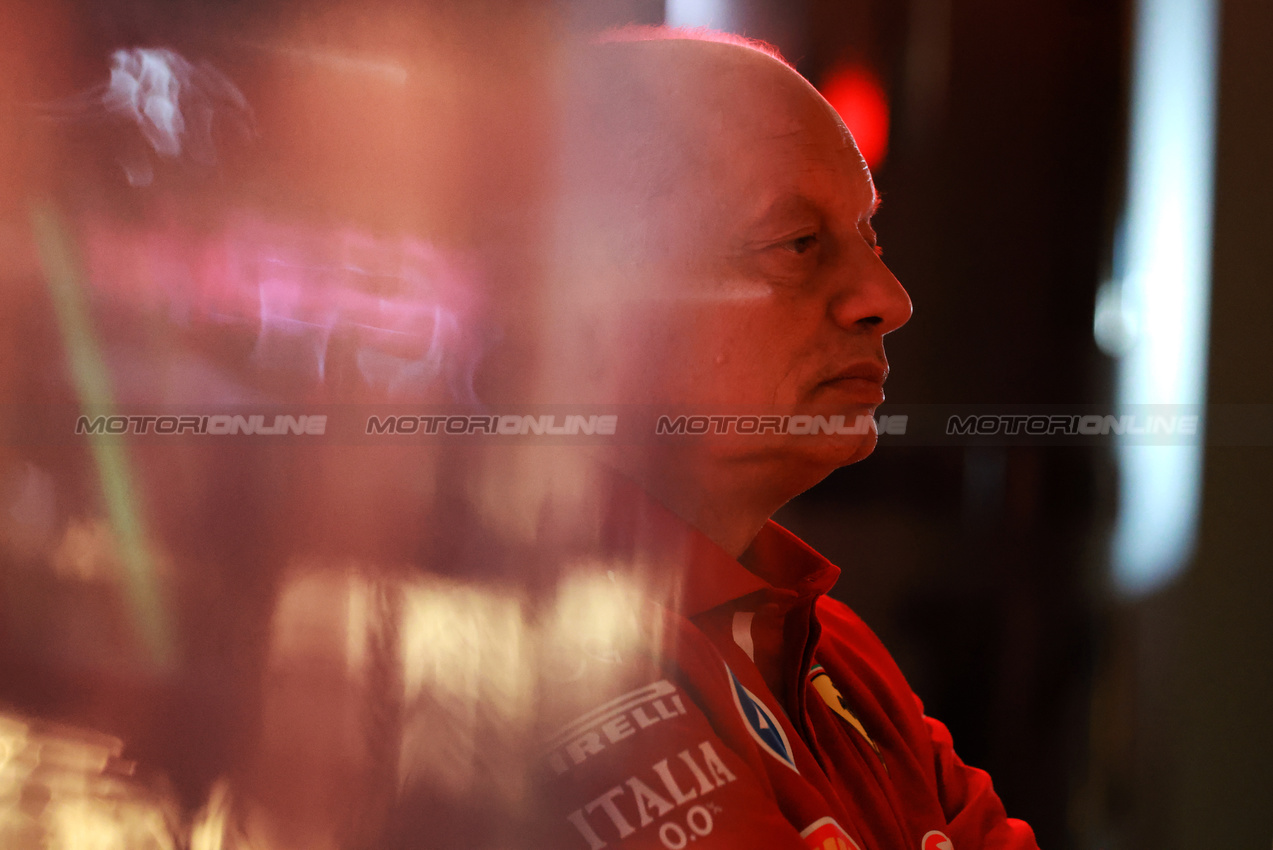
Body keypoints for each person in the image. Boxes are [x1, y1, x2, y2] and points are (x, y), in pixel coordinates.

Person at [516, 27, 1041, 850]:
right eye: (798, 244)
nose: (887, 298)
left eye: (870, 239)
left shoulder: (830, 645)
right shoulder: (530, 655)